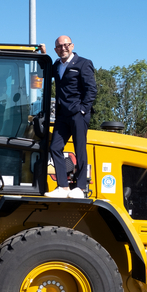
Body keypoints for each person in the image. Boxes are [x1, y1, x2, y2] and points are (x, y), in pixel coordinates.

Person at [45, 35, 97, 199]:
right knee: (54, 148)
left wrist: (83, 110)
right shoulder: (56, 65)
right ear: (56, 50)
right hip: (62, 115)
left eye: (66, 45)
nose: (63, 48)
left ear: (72, 46)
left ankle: (81, 188)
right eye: (59, 47)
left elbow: (91, 89)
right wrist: (43, 54)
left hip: (78, 114)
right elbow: (43, 71)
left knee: (79, 149)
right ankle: (63, 187)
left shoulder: (83, 63)